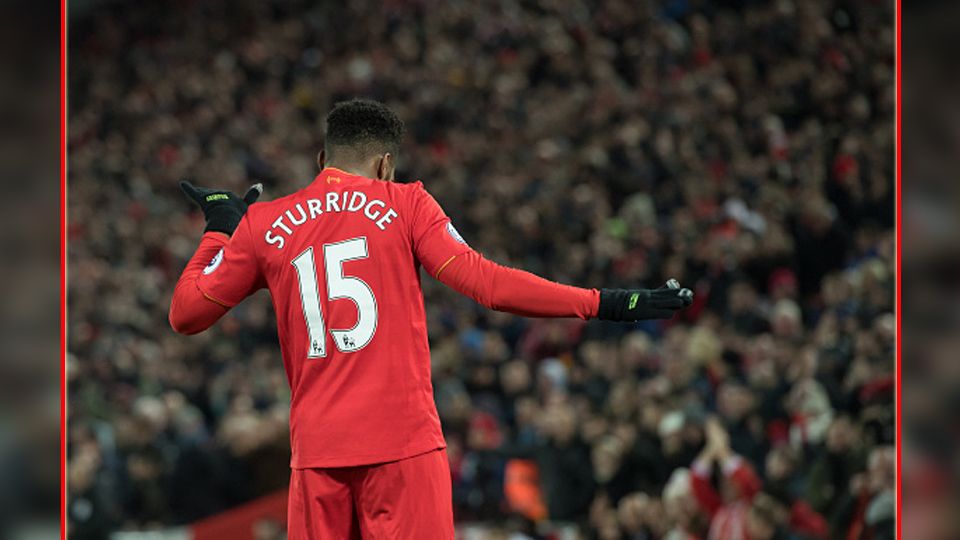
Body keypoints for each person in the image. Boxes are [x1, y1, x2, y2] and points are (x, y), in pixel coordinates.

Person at [167, 98, 693, 539]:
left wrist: (221, 228)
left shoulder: (264, 224)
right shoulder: (406, 204)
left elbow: (185, 315)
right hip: (403, 449)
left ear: (322, 157)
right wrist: (605, 302)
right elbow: (488, 285)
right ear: (386, 164)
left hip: (317, 458)